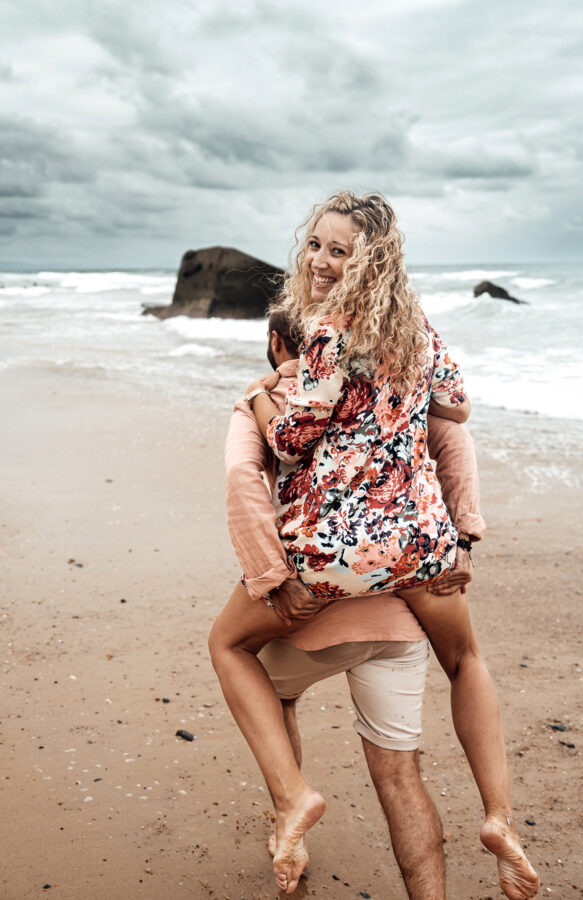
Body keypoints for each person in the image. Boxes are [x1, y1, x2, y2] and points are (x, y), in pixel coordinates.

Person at [209, 190, 539, 899]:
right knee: (467, 659)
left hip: (335, 548)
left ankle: (293, 798)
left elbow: (291, 440)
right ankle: (499, 816)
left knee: (227, 646)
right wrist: (400, 405)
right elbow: (457, 408)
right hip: (420, 544)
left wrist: (267, 395)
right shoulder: (418, 328)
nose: (322, 261)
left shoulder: (326, 329)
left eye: (339, 250)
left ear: (369, 261)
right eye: (317, 245)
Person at [224, 307, 483, 898]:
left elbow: (244, 480)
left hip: (315, 600)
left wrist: (272, 579)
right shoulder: (400, 394)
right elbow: (456, 439)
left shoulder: (270, 401)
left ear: (275, 343)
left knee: (252, 671)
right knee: (399, 774)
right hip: (401, 606)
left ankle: (292, 811)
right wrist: (463, 537)